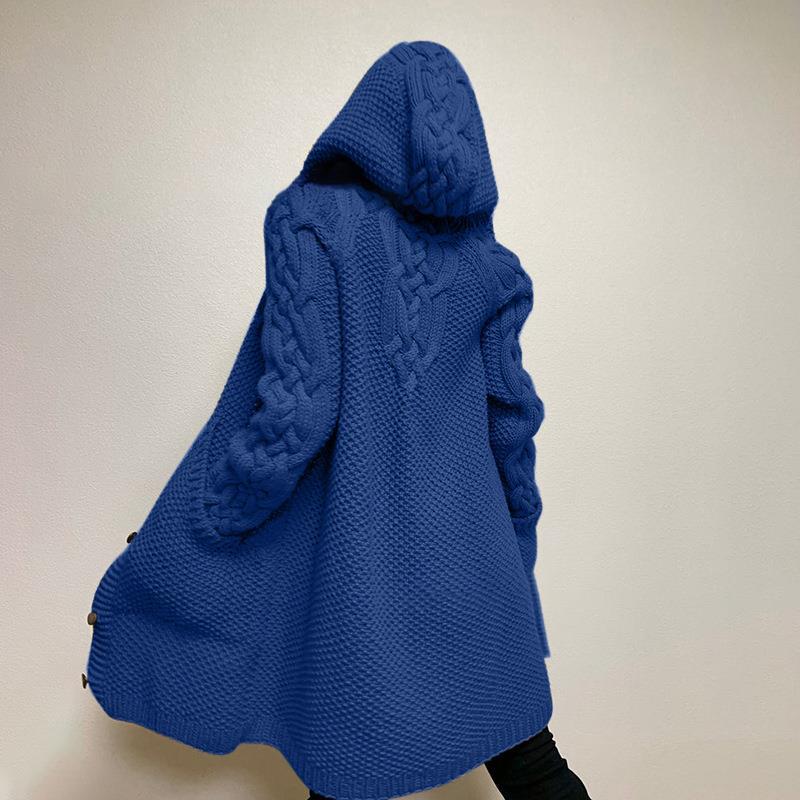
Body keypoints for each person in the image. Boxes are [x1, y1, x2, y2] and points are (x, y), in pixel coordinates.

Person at [83, 40, 591, 800]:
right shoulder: (495, 270)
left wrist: (211, 523)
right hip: (475, 558)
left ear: (369, 120)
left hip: (360, 566)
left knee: (347, 769)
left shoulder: (309, 223)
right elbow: (513, 428)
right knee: (531, 766)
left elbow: (297, 412)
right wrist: (515, 553)